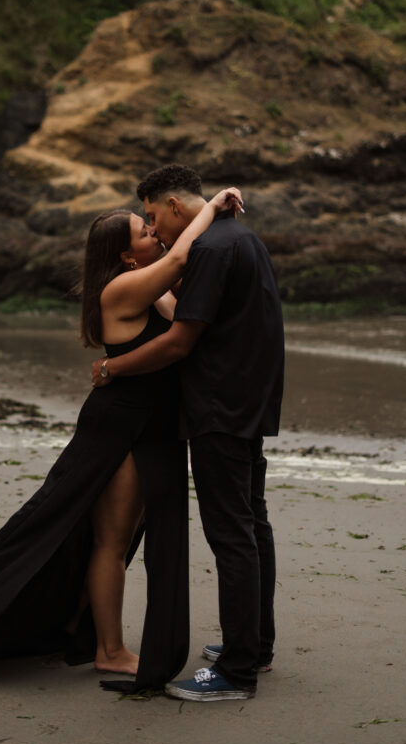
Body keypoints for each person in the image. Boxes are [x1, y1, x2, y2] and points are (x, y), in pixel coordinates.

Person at [0, 185, 242, 693]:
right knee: (113, 542)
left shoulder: (147, 283)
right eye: (143, 230)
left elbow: (190, 304)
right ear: (123, 252)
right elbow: (183, 253)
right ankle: (110, 652)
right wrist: (214, 206)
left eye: (151, 222)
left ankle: (82, 629)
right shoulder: (121, 289)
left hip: (151, 423)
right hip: (120, 425)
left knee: (121, 539)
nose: (153, 230)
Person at [91, 163, 283, 702]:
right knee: (251, 526)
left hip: (220, 409)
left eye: (153, 216)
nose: (155, 228)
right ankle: (254, 647)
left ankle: (237, 671)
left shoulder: (212, 249)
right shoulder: (239, 238)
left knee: (231, 535)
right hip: (248, 403)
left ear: (173, 206)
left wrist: (112, 369)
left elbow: (180, 342)